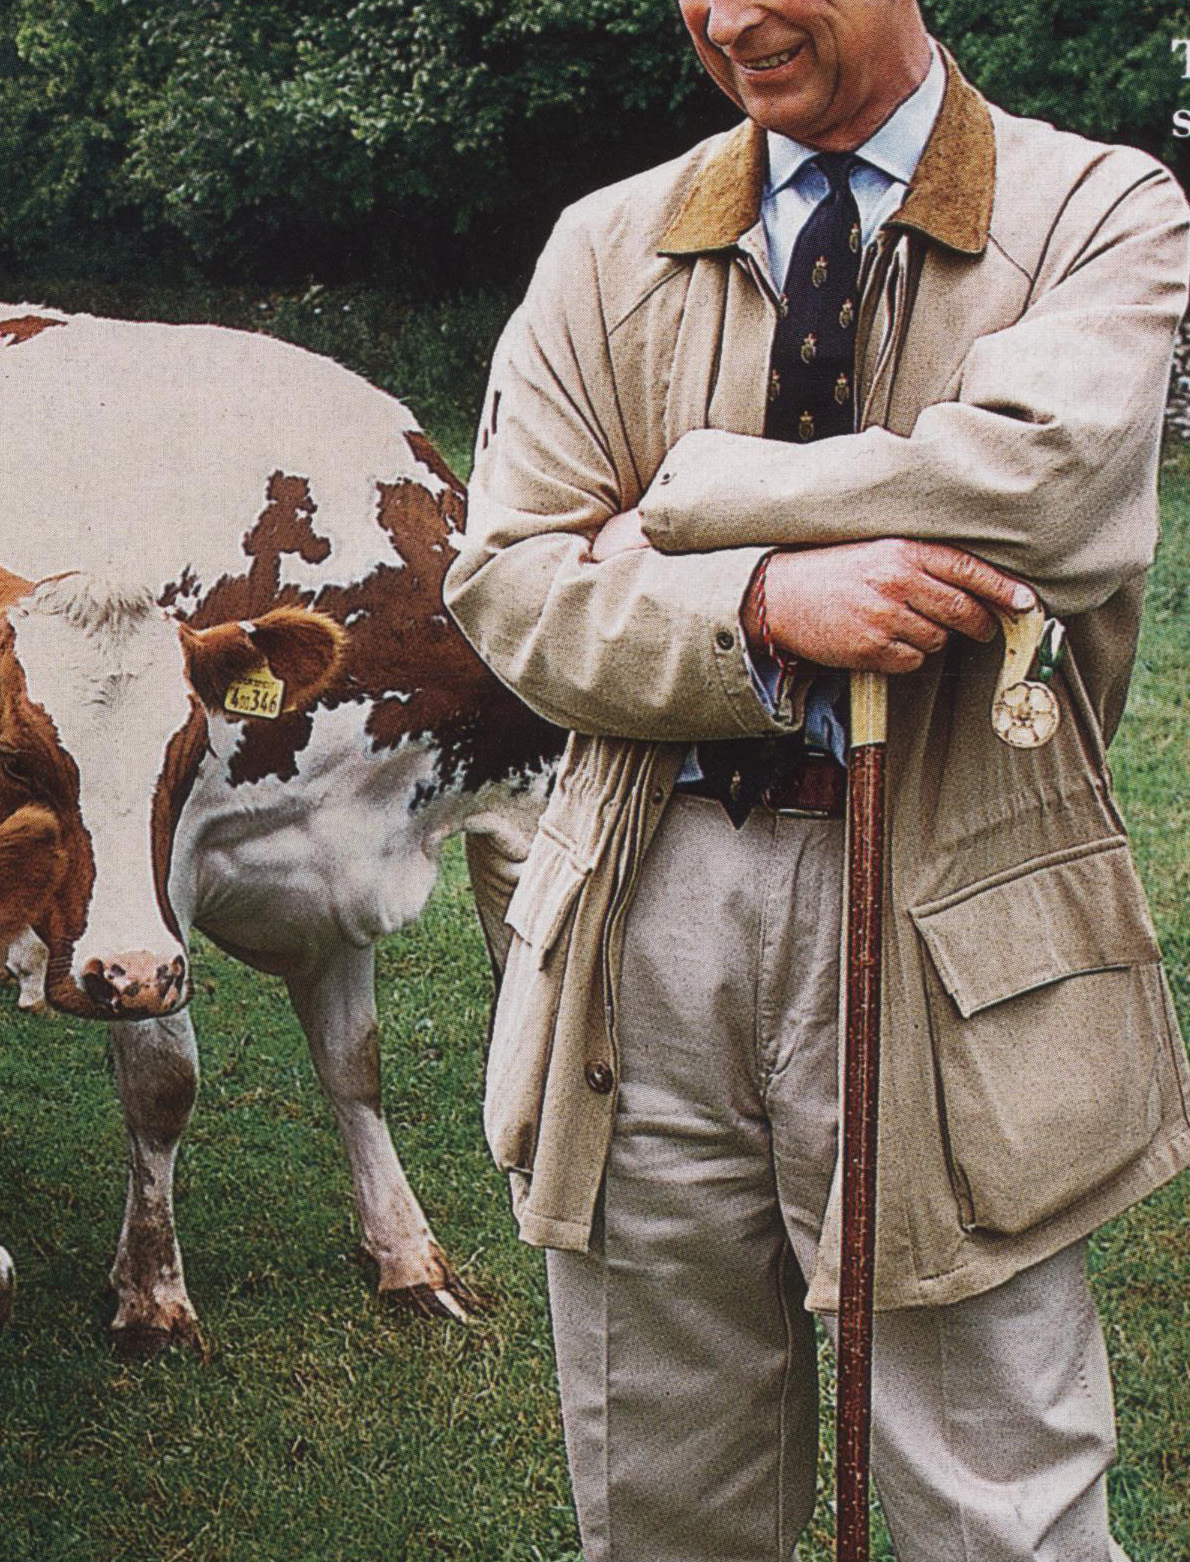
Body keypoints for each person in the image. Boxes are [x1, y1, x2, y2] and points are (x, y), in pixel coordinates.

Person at [443, 2, 1190, 1557]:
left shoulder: (1096, 211)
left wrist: (697, 499)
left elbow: (1044, 488)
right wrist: (763, 602)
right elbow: (510, 584)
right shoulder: (604, 246)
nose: (730, 18)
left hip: (956, 919)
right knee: (662, 1500)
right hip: (642, 918)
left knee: (997, 1508)